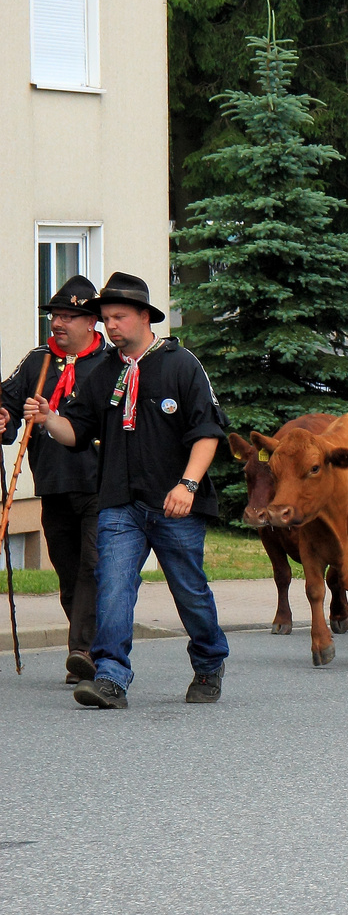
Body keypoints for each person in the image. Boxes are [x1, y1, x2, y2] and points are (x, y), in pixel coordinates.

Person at [25, 273, 228, 708]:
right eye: (105, 318)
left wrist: (188, 484)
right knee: (112, 586)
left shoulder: (181, 365)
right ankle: (110, 677)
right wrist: (48, 418)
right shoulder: (103, 372)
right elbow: (75, 431)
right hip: (120, 504)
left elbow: (207, 432)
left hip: (175, 505)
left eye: (118, 317)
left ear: (144, 317)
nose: (110, 326)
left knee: (189, 591)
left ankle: (209, 661)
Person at [1, 276, 114, 685]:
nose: (58, 324)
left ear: (92, 322)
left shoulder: (112, 363)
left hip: (101, 485)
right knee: (68, 573)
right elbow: (7, 403)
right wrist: (5, 418)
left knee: (93, 566)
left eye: (69, 316)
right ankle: (89, 649)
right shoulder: (37, 361)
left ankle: (82, 650)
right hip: (53, 483)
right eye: (55, 316)